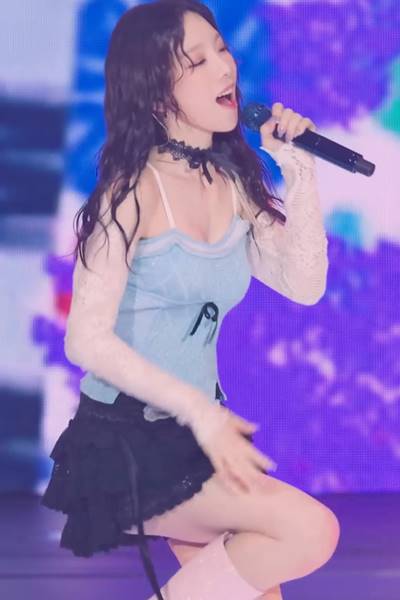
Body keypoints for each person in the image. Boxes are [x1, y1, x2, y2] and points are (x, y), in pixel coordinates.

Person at [41, 1, 340, 599]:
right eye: (196, 62)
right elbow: (85, 339)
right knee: (310, 530)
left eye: (221, 49)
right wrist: (200, 412)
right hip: (128, 442)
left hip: (195, 438)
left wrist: (299, 170)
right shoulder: (130, 193)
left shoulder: (232, 182)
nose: (224, 67)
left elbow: (304, 286)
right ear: (156, 93)